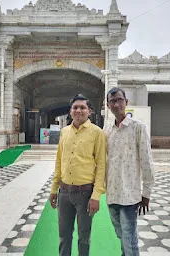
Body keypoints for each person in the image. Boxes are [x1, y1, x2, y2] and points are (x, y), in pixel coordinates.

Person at [49, 94, 106, 256]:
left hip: (85, 194)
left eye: (82, 107)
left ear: (89, 111)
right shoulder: (64, 132)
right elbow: (59, 161)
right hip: (65, 193)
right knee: (64, 237)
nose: (78, 110)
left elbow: (102, 165)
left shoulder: (97, 133)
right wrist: (54, 189)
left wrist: (96, 195)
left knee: (84, 238)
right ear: (70, 112)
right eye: (75, 107)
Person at [105, 87, 155, 256]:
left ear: (126, 102)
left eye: (119, 100)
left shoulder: (138, 128)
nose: (116, 104)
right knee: (121, 235)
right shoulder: (108, 131)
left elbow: (146, 161)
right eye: (112, 101)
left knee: (129, 239)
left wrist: (146, 193)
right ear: (108, 105)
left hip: (129, 196)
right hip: (111, 194)